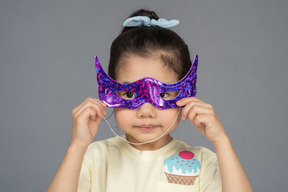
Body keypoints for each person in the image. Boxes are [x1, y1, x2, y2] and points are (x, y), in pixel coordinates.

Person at [47, 9, 253, 192]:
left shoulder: (202, 163)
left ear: (185, 95)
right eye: (130, 94)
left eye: (162, 94)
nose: (146, 111)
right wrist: (77, 147)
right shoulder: (93, 158)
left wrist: (222, 142)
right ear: (111, 92)